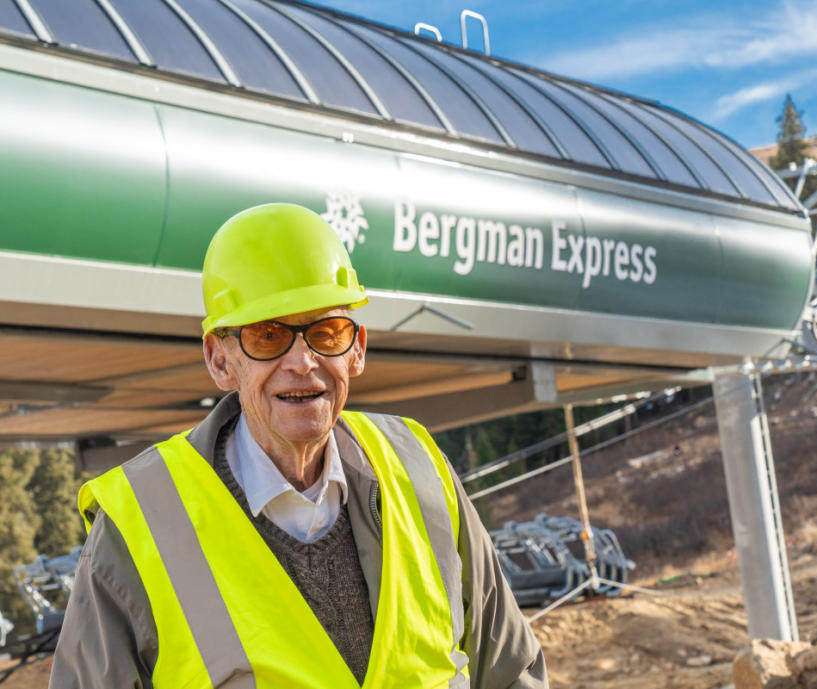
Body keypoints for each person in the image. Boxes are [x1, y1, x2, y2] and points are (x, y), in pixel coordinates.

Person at [50, 203, 548, 688]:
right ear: (219, 360)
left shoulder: (419, 470)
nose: (303, 361)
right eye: (267, 336)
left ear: (358, 349)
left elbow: (510, 674)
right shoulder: (140, 523)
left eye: (327, 333)